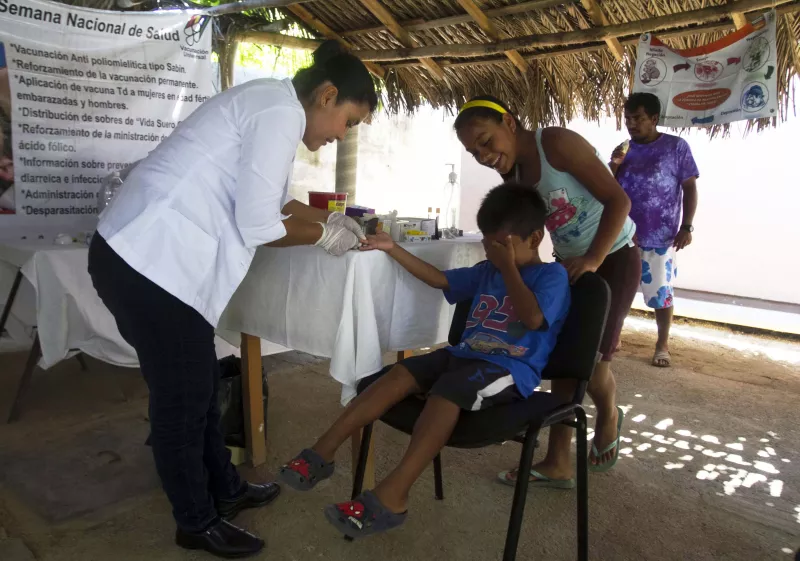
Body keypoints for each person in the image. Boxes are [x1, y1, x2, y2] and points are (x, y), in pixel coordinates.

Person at [87, 40, 377, 559]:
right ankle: (195, 522)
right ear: (328, 96)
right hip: (148, 261)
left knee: (198, 388)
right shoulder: (278, 112)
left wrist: (332, 219)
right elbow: (260, 224)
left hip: (154, 263)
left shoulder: (272, 103)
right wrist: (323, 237)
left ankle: (226, 489)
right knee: (182, 400)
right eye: (348, 121)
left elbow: (277, 202)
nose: (341, 135)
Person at [278, 183, 570, 539]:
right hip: (463, 355)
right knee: (399, 373)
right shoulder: (487, 271)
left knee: (448, 391)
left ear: (535, 238)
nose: (490, 252)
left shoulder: (552, 276)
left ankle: (392, 497)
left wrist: (508, 269)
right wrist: (392, 248)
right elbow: (440, 280)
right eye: (487, 243)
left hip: (508, 368)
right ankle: (321, 453)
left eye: (499, 245)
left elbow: (533, 319)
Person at [454, 96, 640, 486]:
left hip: (615, 256)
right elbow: (529, 233)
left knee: (592, 362)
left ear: (509, 122)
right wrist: (530, 273)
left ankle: (608, 414)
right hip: (570, 264)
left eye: (486, 141)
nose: (483, 156)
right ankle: (558, 462)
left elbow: (619, 200)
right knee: (565, 359)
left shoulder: (555, 143)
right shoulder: (513, 174)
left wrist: (593, 258)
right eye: (473, 152)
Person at [610, 93, 699, 368]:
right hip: (624, 235)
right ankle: (613, 336)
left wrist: (686, 226)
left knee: (661, 294)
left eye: (638, 118)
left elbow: (690, 188)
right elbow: (608, 189)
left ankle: (662, 345)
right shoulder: (624, 149)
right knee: (618, 290)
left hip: (660, 236)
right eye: (628, 119)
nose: (631, 124)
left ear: (654, 118)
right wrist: (613, 166)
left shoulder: (676, 147)